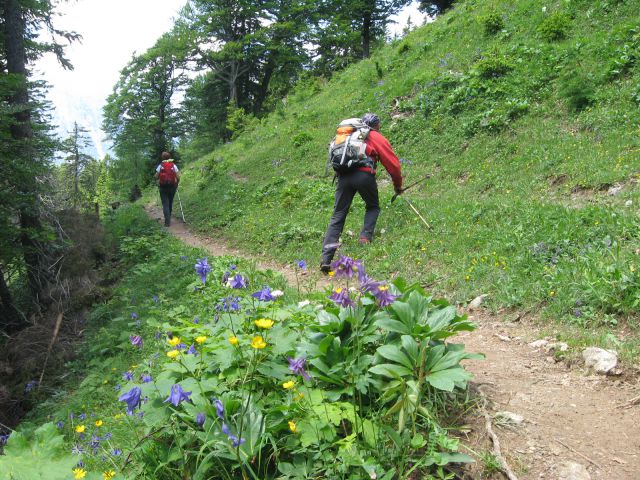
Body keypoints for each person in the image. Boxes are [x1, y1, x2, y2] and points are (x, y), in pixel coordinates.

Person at [320, 113, 403, 273]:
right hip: (364, 175)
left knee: (338, 215)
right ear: (376, 126)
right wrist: (397, 185)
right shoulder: (375, 136)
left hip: (343, 177)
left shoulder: (349, 135)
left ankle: (326, 258)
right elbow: (393, 165)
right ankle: (365, 238)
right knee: (373, 206)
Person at [154, 151, 180, 226]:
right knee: (170, 202)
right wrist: (177, 182)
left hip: (163, 187)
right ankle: (169, 217)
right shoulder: (173, 165)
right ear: (170, 157)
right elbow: (178, 176)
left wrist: (158, 180)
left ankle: (167, 221)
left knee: (165, 204)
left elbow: (155, 176)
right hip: (172, 186)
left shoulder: (161, 165)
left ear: (162, 157)